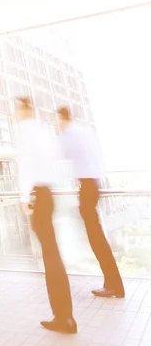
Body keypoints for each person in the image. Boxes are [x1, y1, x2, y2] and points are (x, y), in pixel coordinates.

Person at [15, 97, 76, 334]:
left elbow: (25, 164)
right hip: (48, 193)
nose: (15, 114)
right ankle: (64, 314)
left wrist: (23, 197)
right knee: (53, 255)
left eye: (16, 109)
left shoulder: (25, 131)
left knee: (50, 256)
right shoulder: (44, 129)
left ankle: (63, 317)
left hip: (37, 194)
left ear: (23, 109)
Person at [57, 106, 124, 298]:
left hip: (87, 186)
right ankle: (112, 283)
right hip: (92, 184)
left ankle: (114, 285)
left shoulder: (70, 134)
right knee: (97, 238)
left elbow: (62, 154)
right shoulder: (84, 131)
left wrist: (59, 135)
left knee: (96, 239)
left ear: (62, 119)